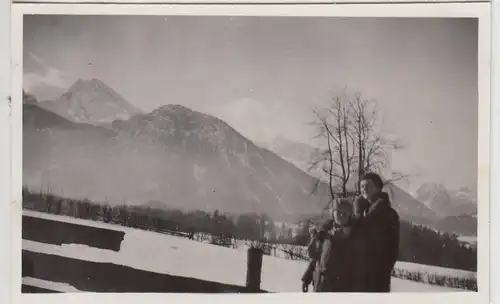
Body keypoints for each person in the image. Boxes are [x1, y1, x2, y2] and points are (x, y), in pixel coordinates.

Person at [313, 198, 367, 292]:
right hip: (321, 284)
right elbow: (316, 257)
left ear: (350, 214)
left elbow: (358, 269)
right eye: (338, 211)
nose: (341, 215)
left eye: (345, 212)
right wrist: (307, 276)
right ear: (333, 213)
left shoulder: (355, 236)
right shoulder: (325, 232)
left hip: (341, 288)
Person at [359, 172, 400, 292]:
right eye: (362, 186)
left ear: (378, 188)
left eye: (368, 186)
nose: (364, 189)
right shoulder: (363, 210)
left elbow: (393, 249)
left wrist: (383, 271)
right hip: (360, 274)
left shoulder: (388, 214)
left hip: (377, 276)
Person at [301, 220, 333, 292]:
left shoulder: (332, 246)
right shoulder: (319, 250)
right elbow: (313, 262)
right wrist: (306, 280)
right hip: (318, 286)